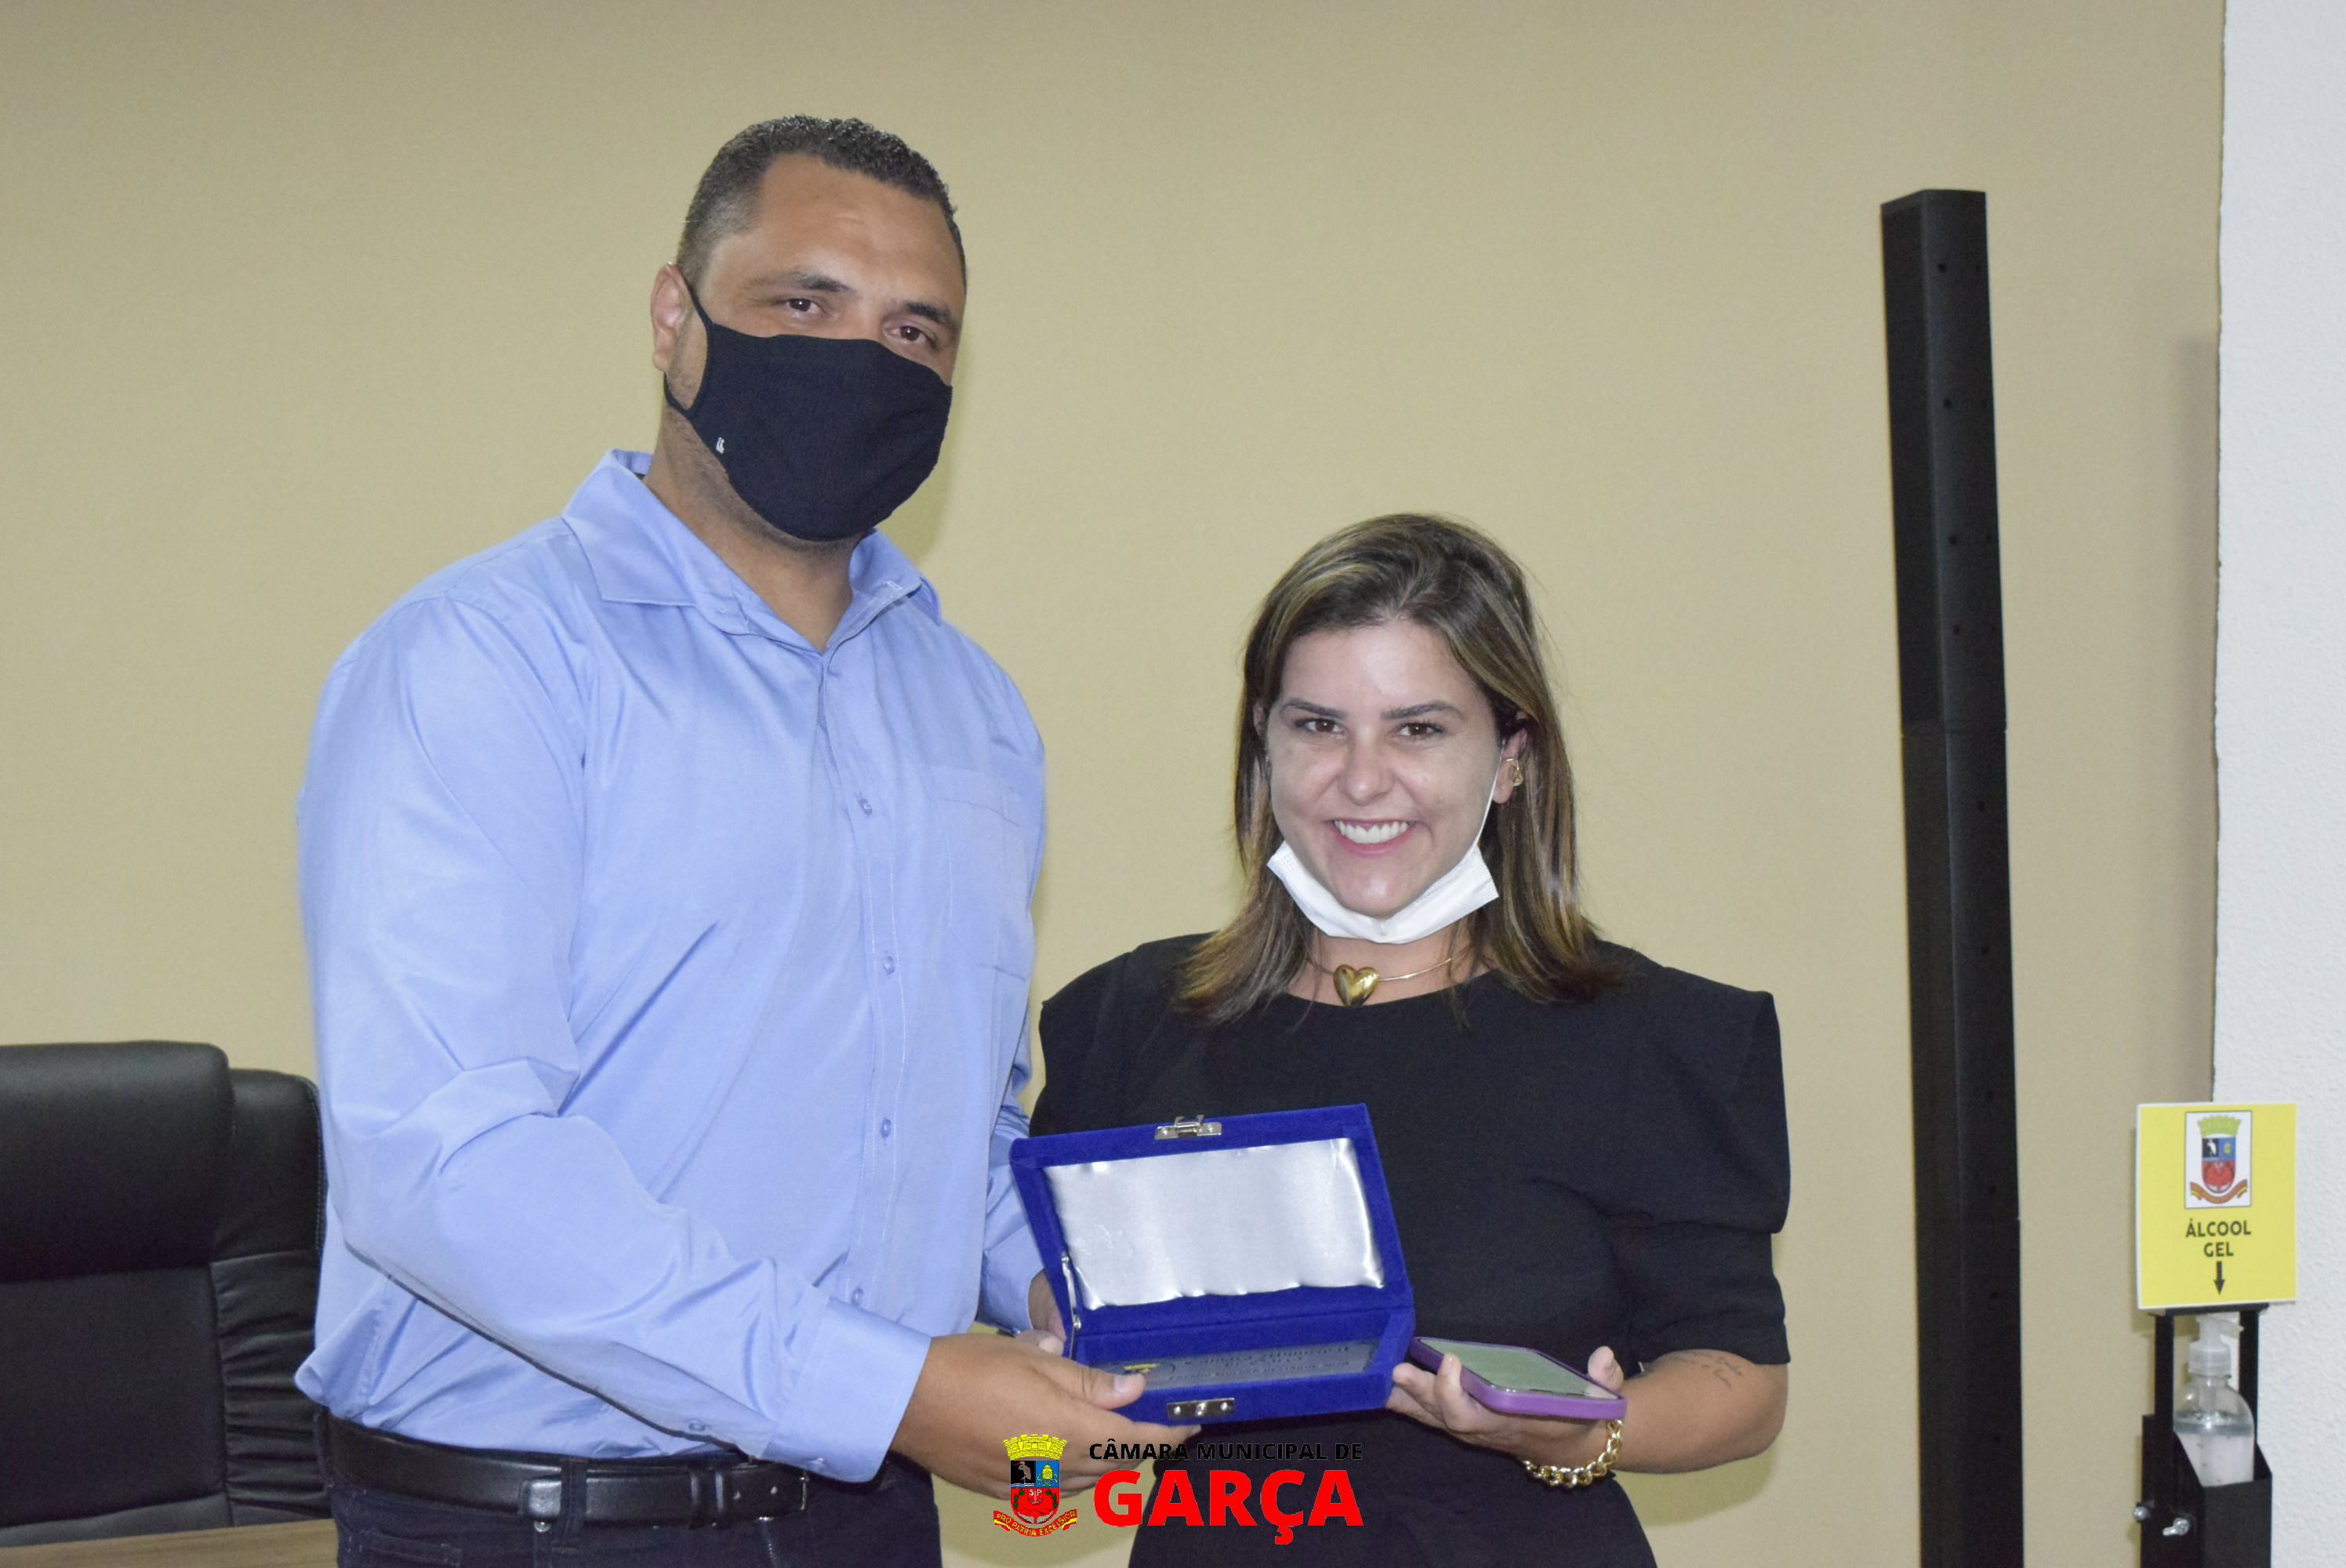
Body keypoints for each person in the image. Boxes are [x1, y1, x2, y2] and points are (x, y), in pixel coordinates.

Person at [296, 117, 1184, 1566]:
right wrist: (885, 1389)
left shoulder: (974, 714)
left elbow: (953, 1134)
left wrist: (1065, 1291)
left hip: (869, 1517)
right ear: (676, 318)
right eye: (805, 304)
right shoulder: (483, 662)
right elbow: (452, 1164)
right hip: (540, 1525)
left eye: (915, 332)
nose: (862, 362)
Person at [1032, 514, 1790, 1565]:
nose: (1362, 779)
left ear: (1512, 758)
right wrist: (1065, 1395)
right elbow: (1058, 1328)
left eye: (1419, 730)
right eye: (1319, 726)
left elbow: (1742, 1383)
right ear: (1263, 745)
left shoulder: (1655, 1038)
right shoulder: (1131, 1017)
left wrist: (1583, 1434)